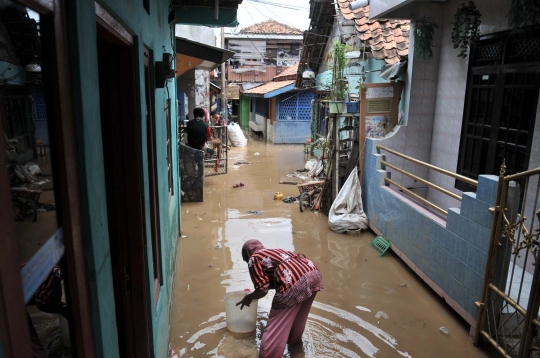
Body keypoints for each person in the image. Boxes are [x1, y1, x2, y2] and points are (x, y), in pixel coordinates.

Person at [237, 239, 323, 358]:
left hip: (294, 281)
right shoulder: (274, 252)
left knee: (275, 327)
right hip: (313, 273)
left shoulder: (254, 258)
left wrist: (248, 298)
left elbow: (262, 290)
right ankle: (295, 347)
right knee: (299, 318)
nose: (247, 261)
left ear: (247, 254)